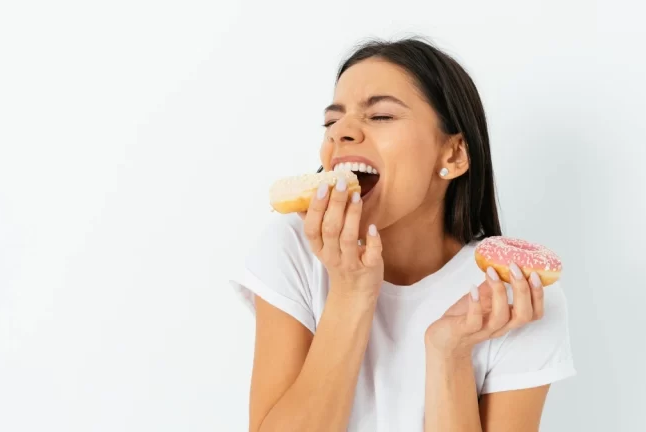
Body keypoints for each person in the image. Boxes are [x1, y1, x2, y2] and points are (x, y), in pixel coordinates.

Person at [233, 37, 576, 431]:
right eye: (331, 121)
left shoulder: (515, 295)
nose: (340, 132)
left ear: (453, 154)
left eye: (380, 116)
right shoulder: (294, 248)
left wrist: (450, 353)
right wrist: (350, 295)